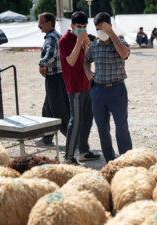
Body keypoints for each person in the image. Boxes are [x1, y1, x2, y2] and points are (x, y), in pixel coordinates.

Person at [84, 12, 132, 162]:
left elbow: (124, 54)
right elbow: (86, 60)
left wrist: (111, 34)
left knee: (121, 127)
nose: (100, 32)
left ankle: (126, 159)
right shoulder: (94, 46)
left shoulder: (120, 42)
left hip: (117, 90)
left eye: (103, 28)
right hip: (98, 91)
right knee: (102, 128)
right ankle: (110, 160)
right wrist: (87, 71)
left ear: (110, 26)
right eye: (98, 29)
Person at [59, 11, 99, 164]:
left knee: (87, 119)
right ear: (72, 26)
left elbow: (87, 60)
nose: (81, 29)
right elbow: (71, 61)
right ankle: (68, 157)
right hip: (74, 87)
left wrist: (86, 44)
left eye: (84, 27)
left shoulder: (83, 39)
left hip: (86, 84)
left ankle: (83, 151)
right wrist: (79, 42)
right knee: (75, 120)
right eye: (78, 27)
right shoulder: (64, 40)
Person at [36, 12, 70, 147]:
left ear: (49, 23)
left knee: (59, 109)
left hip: (54, 79)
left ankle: (75, 138)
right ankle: (47, 138)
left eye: (41, 22)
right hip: (58, 77)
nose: (39, 26)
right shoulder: (57, 35)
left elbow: (51, 53)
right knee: (48, 109)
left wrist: (42, 64)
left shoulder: (50, 37)